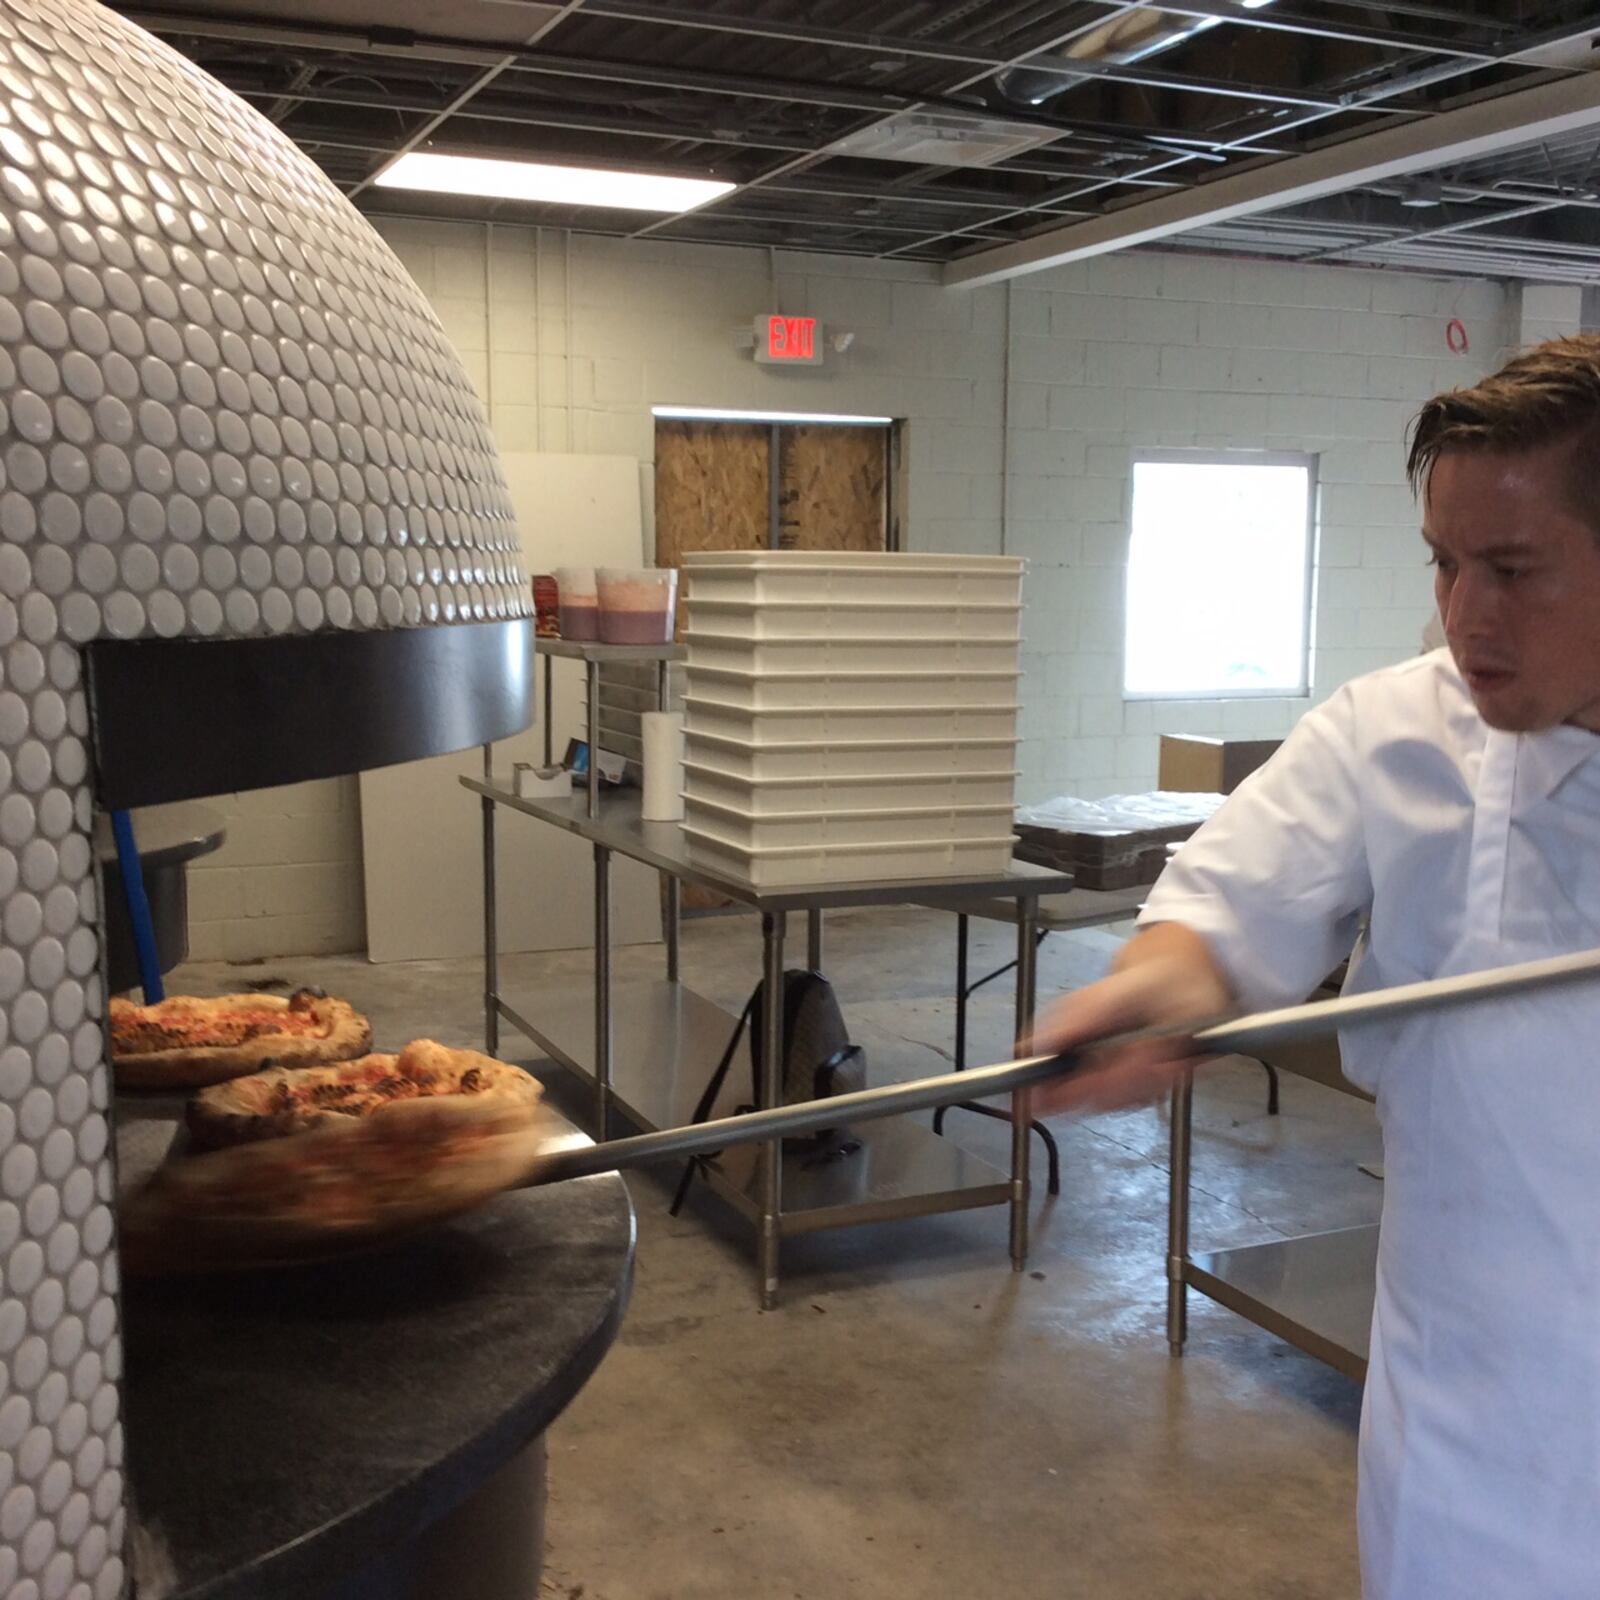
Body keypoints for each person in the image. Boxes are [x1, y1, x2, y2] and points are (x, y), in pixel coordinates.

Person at [1033, 334, 1600, 1599]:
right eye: (1444, 565)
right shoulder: (1393, 732)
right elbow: (1227, 912)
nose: (1463, 617)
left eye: (1512, 570)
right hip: (1466, 1441)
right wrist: (1151, 991)